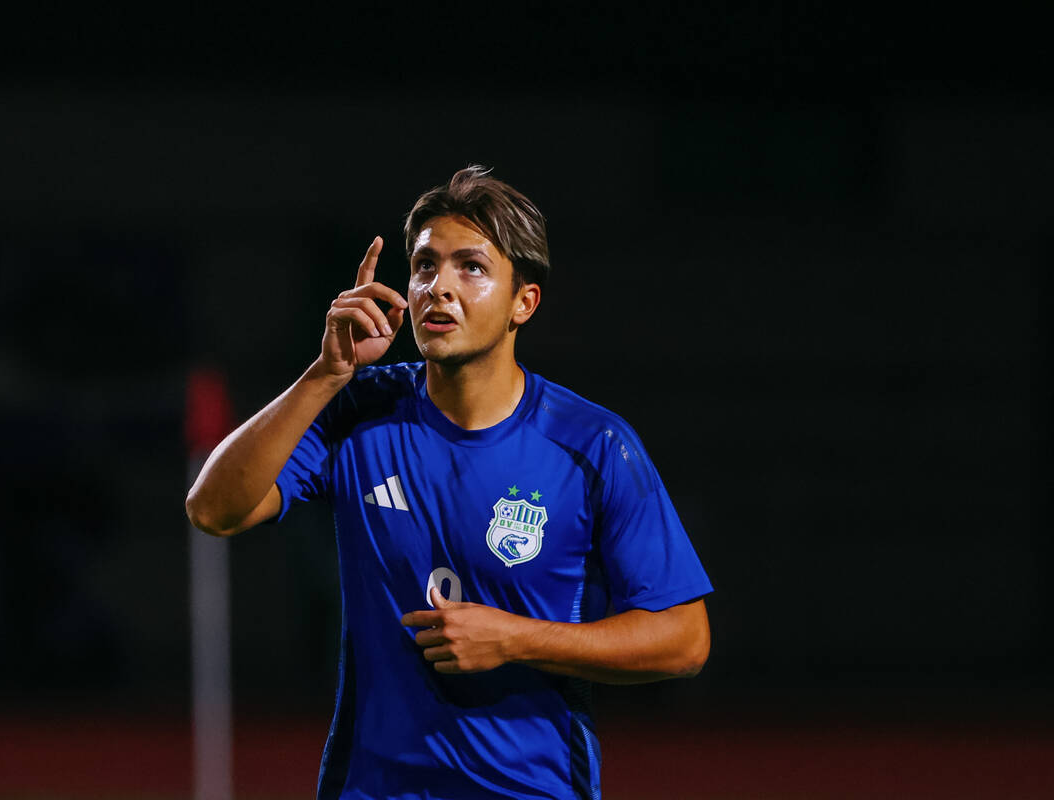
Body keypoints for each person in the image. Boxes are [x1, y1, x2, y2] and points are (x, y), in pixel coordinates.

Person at [186, 166, 713, 799]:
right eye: (425, 266)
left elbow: (684, 638)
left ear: (525, 301)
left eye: (472, 268)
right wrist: (325, 375)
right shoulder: (358, 409)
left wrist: (514, 639)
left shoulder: (593, 445)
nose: (439, 288)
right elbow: (213, 509)